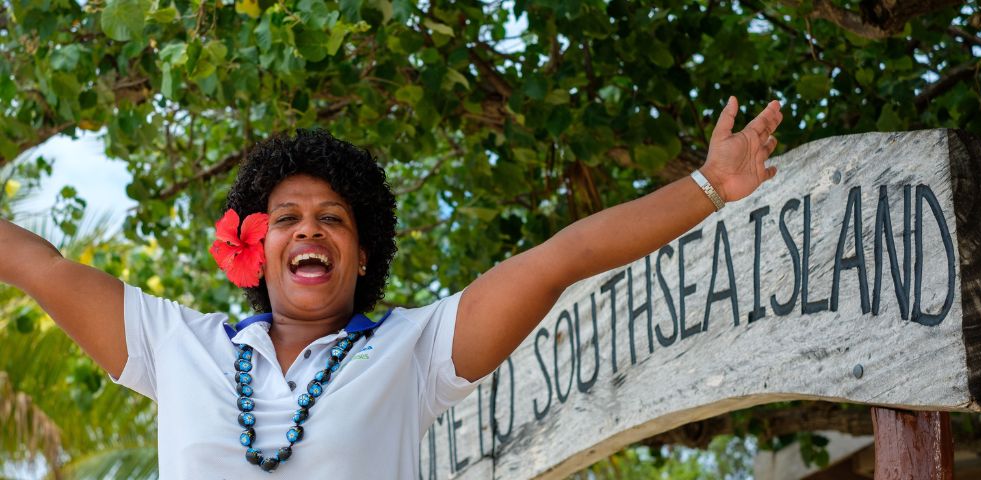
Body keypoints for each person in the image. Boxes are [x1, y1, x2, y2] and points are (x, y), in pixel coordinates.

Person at [0, 96, 782, 478]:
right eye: (287, 218)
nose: (309, 230)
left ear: (363, 254)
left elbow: (561, 258)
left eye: (332, 218)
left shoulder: (416, 350)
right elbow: (39, 265)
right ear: (254, 247)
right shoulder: (177, 346)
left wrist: (709, 185)